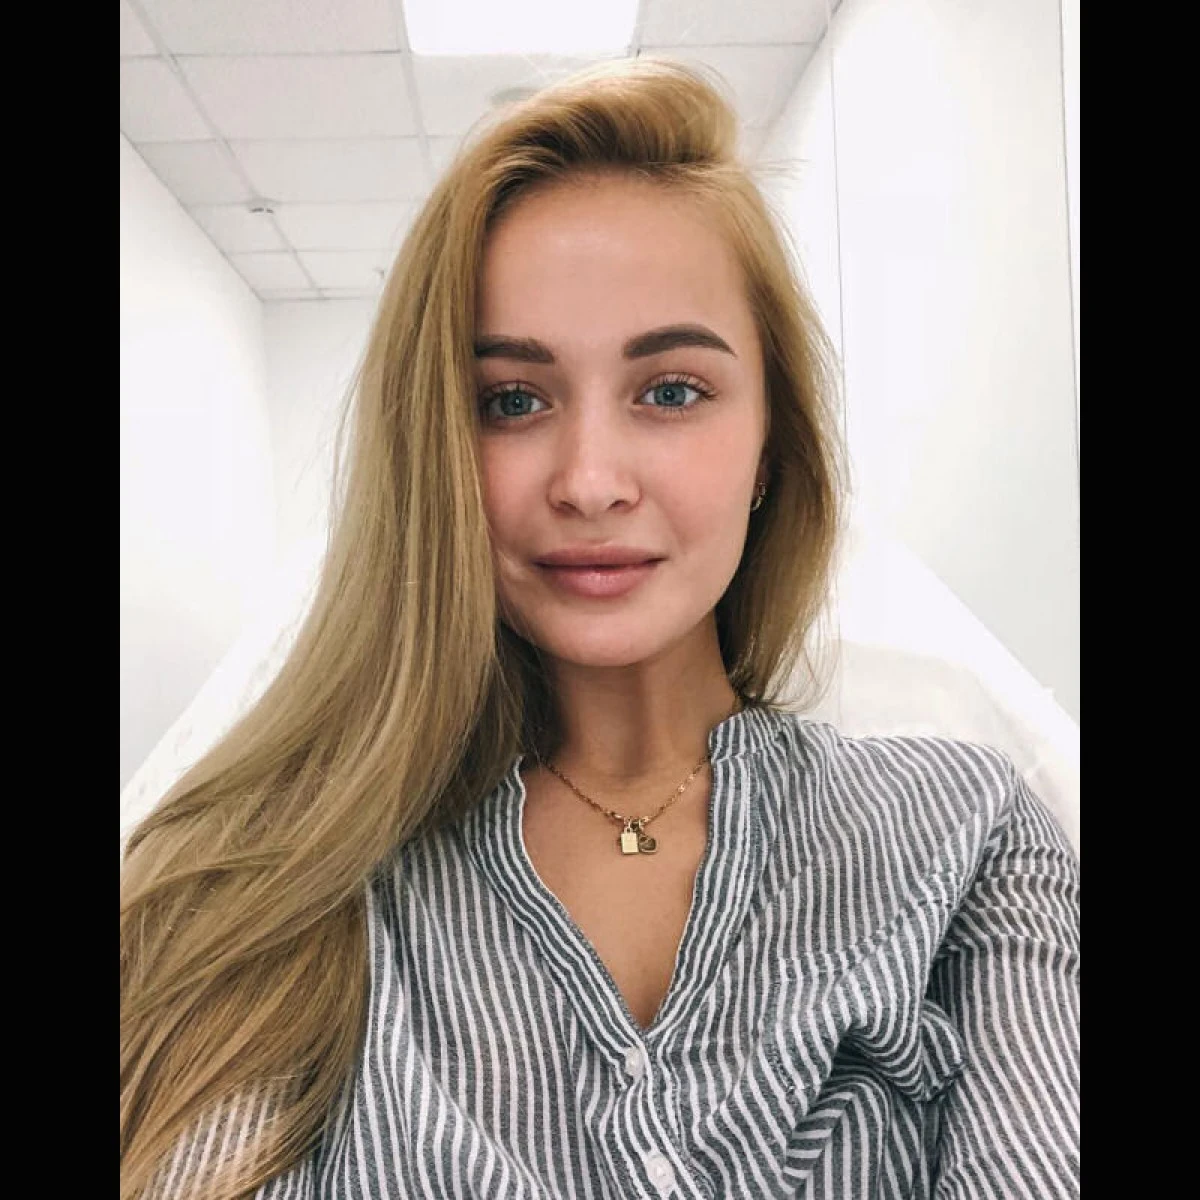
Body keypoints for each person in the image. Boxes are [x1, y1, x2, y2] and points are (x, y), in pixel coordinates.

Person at [120, 58, 1079, 1200]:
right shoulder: (253, 890)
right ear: (435, 449)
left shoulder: (967, 835)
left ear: (772, 445)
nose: (587, 481)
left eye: (670, 391)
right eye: (510, 401)